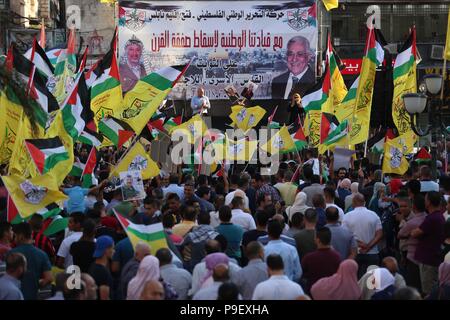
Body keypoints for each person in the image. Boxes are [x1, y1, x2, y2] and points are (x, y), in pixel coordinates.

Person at [411, 191, 446, 295]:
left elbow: (415, 233)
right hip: (431, 257)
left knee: (428, 291)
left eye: (426, 199)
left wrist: (411, 230)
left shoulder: (432, 218)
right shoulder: (437, 217)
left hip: (429, 260)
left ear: (429, 202)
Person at [343, 193, 383, 278]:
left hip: (355, 253)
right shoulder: (374, 215)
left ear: (353, 203)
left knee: (355, 283)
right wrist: (368, 247)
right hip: (373, 253)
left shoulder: (347, 216)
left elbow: (346, 235)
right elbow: (379, 234)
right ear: (364, 202)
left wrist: (359, 244)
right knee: (373, 284)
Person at [9, 223, 53, 300]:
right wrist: (36, 284)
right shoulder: (42, 254)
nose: (14, 239)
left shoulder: (11, 253)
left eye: (15, 236)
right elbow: (49, 278)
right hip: (33, 296)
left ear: (21, 236)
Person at [397, 194, 426, 291]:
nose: (402, 208)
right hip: (405, 252)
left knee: (411, 282)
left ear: (411, 207)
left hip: (411, 255)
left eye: (405, 206)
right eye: (400, 206)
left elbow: (400, 234)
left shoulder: (413, 220)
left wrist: (402, 222)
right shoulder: (397, 215)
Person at [301, 227, 341, 292]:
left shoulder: (309, 258)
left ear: (318, 240)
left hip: (313, 291)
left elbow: (302, 273)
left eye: (315, 237)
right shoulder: (337, 257)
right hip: (330, 292)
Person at [89, 235, 115, 300]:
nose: (114, 251)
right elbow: (104, 298)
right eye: (113, 248)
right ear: (106, 250)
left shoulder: (93, 266)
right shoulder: (103, 272)